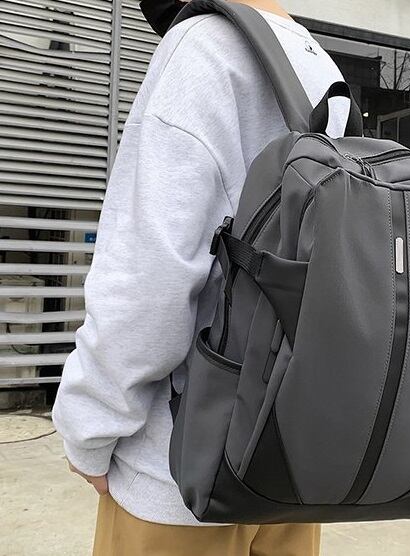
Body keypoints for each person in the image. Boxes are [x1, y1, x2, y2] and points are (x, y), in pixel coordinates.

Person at [52, 0, 347, 554]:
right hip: (289, 466)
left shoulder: (202, 47)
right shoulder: (319, 64)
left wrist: (90, 427)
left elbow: (148, 283)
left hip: (182, 475)